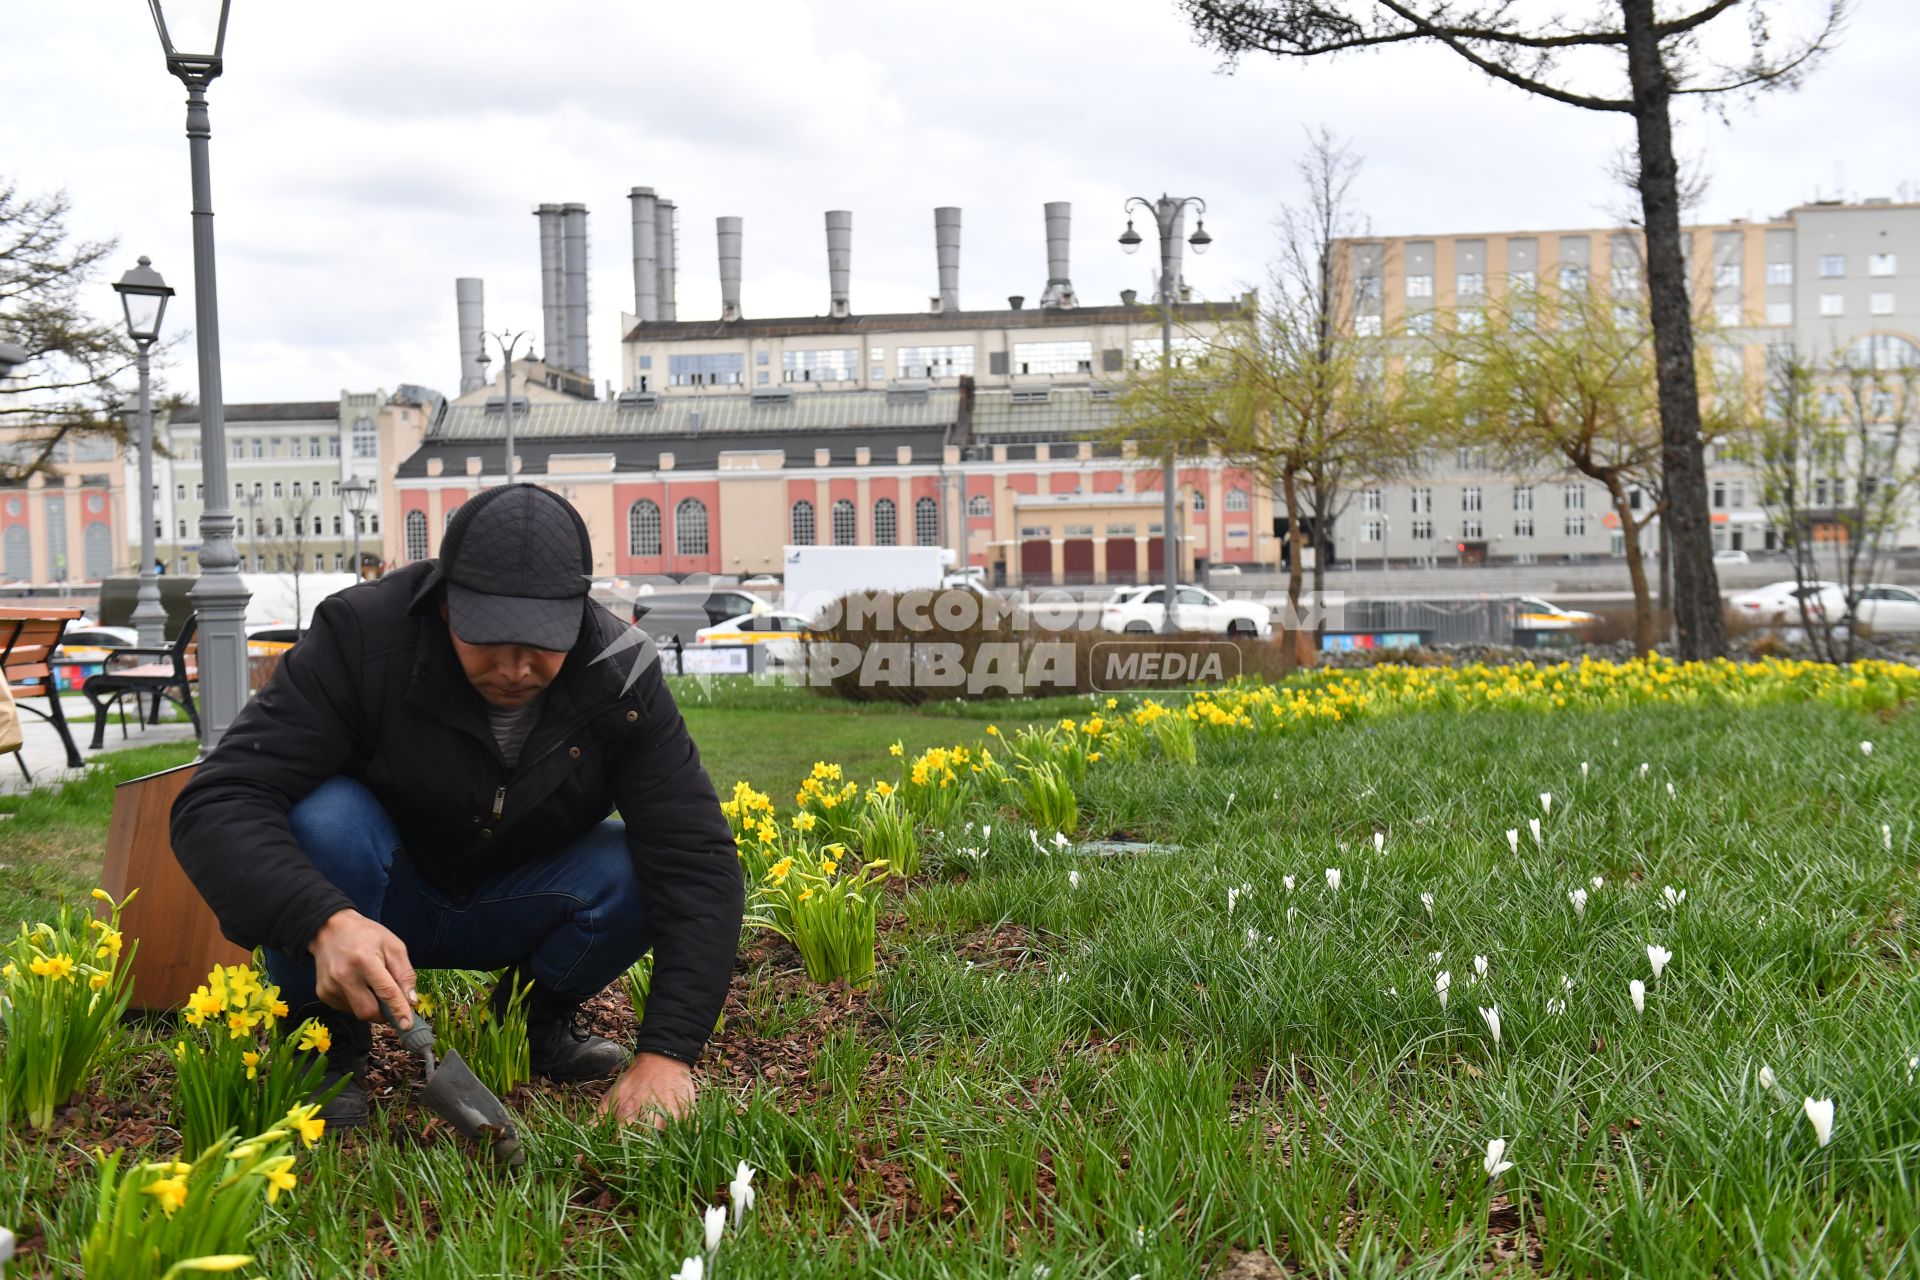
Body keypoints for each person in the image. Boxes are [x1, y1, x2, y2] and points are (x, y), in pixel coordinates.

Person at [171, 483, 743, 1129]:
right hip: (372, 893)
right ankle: (323, 1046)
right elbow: (220, 799)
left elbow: (696, 857)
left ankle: (529, 1026)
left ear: (578, 613)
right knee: (323, 818)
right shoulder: (361, 634)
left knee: (638, 866)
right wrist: (321, 921)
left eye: (542, 642)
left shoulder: (622, 673)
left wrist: (669, 1052)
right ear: (444, 605)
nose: (516, 667)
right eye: (490, 638)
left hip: (518, 895)